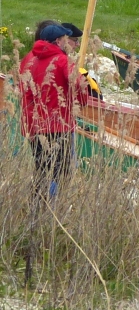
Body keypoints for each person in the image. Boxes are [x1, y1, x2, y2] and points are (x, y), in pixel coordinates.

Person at [18, 22, 89, 199]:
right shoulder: (62, 60)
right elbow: (79, 85)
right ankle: (53, 208)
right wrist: (81, 101)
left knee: (41, 171)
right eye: (67, 38)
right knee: (61, 173)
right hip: (59, 127)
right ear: (58, 41)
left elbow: (24, 94)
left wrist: (28, 125)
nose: (70, 43)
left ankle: (37, 207)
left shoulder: (29, 59)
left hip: (35, 126)